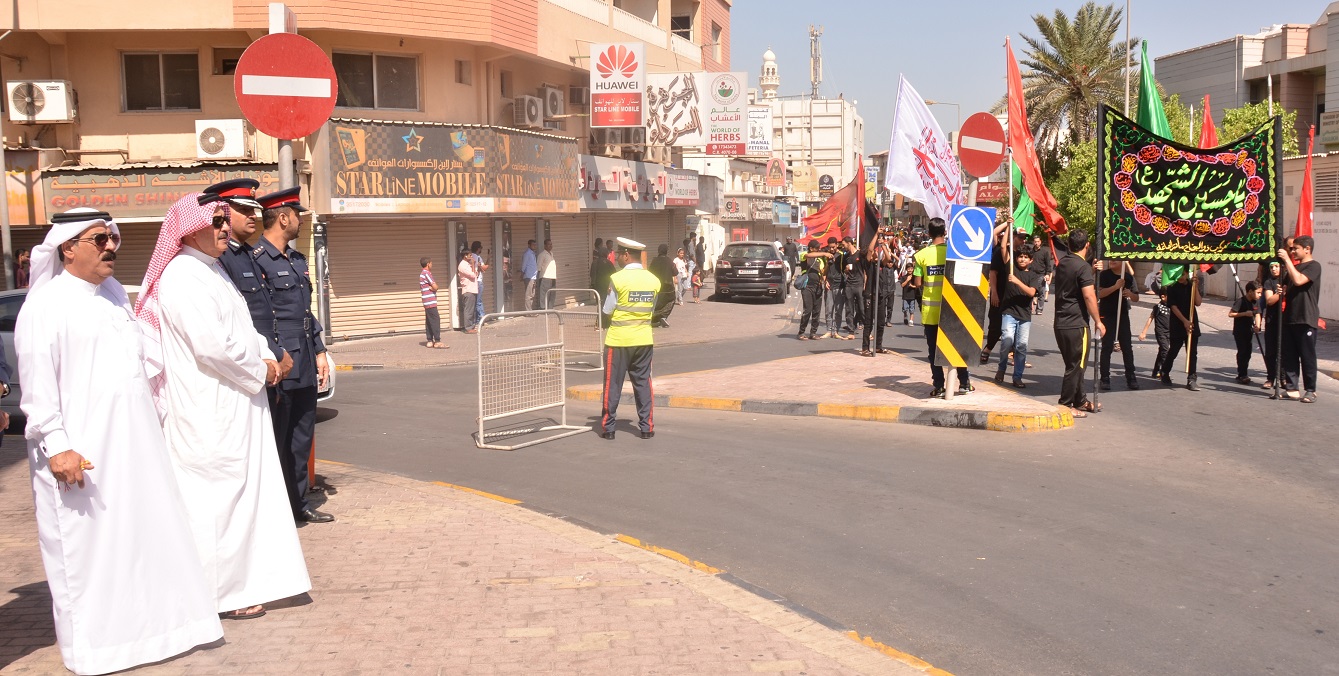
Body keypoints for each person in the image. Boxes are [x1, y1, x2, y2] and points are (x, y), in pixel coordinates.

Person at [19, 208, 222, 674]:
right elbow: (38, 389)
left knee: (142, 540)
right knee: (87, 553)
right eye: (98, 239)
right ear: (67, 247)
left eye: (112, 239)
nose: (110, 247)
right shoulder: (45, 305)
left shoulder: (113, 295)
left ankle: (153, 634)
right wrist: (57, 446)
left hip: (135, 447)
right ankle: (94, 650)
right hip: (81, 452)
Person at [136, 194, 310, 621]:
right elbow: (214, 347)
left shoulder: (211, 271)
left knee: (244, 498)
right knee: (215, 502)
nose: (224, 228)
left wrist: (272, 355)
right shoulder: (181, 277)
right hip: (208, 410)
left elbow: (244, 329)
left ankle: (246, 584)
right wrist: (264, 369)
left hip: (236, 404)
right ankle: (217, 595)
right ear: (188, 228)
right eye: (214, 221)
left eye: (223, 220)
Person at [255, 187, 334, 524]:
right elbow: (258, 315)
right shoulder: (256, 259)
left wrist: (319, 351)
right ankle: (275, 508)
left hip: (303, 358)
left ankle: (298, 503)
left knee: (302, 436)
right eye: (297, 214)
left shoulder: (298, 260)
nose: (301, 220)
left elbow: (306, 311)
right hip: (281, 361)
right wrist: (275, 355)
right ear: (283, 218)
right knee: (278, 436)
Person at [210, 179, 290, 386]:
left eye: (253, 210)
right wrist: (275, 353)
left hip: (269, 356)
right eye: (244, 210)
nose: (253, 216)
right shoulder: (221, 258)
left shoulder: (248, 254)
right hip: (252, 362)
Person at [598, 238, 660, 440]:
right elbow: (652, 310)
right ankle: (646, 428)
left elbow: (607, 309)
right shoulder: (653, 280)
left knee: (612, 385)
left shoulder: (617, 279)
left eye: (618, 253)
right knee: (643, 384)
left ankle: (608, 429)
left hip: (618, 341)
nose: (615, 256)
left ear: (626, 255)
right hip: (644, 340)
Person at [912, 218, 972, 398]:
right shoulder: (954, 253)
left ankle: (939, 386)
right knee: (956, 347)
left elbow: (917, 282)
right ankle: (964, 383)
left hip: (931, 313)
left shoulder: (921, 255)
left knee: (934, 351)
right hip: (953, 310)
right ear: (945, 233)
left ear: (928, 234)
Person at [1051, 229, 1104, 416]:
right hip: (1077, 324)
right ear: (1087, 245)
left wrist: (1092, 272)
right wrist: (1098, 321)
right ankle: (1065, 404)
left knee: (1075, 365)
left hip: (1061, 323)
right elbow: (1089, 295)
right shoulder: (1081, 267)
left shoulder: (1063, 263)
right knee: (1076, 366)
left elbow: (1076, 284)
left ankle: (1080, 400)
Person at [1279, 236, 1322, 402]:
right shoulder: (1293, 269)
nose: (1292, 252)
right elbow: (1286, 288)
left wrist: (1287, 261)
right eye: (1291, 249)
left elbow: (1298, 281)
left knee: (1307, 355)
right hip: (1290, 316)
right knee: (1289, 355)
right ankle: (1292, 388)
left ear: (1307, 249)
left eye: (1295, 248)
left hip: (1306, 317)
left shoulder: (1314, 266)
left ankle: (1311, 389)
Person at [994, 245, 1043, 388]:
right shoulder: (1011, 269)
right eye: (1020, 256)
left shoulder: (1033, 276)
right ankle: (1001, 369)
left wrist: (1016, 281)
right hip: (1009, 312)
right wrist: (1008, 225)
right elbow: (1003, 247)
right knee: (1007, 340)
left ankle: (1017, 377)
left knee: (1021, 347)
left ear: (1031, 260)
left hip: (1024, 316)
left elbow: (1031, 292)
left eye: (1025, 257)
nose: (1022, 259)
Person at [1097, 260, 1140, 390]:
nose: (1112, 261)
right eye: (1110, 259)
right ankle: (1105, 378)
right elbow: (1099, 293)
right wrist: (1115, 287)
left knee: (1127, 346)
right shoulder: (1104, 275)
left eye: (1116, 259)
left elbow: (1136, 297)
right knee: (1107, 347)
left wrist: (1130, 294)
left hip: (1122, 315)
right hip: (1107, 314)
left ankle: (1131, 377)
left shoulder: (1128, 277)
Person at [1161, 266, 1202, 390]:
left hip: (1192, 321)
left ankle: (1192, 378)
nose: (1181, 277)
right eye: (1179, 274)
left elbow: (1198, 302)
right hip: (1178, 322)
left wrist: (1195, 287)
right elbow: (1173, 306)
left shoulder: (1191, 285)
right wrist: (1184, 321)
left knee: (1192, 352)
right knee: (1174, 350)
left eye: (1183, 274)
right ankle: (1165, 371)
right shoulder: (1172, 287)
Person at [860, 231, 895, 356]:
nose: (876, 253)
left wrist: (884, 245)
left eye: (876, 251)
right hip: (870, 295)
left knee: (880, 322)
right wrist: (876, 234)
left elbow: (888, 259)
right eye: (875, 252)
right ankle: (865, 348)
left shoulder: (880, 264)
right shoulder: (868, 263)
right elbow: (870, 250)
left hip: (880, 295)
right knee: (868, 323)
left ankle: (878, 346)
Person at [796, 240, 831, 340]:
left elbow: (823, 272)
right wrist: (824, 253)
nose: (818, 250)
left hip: (818, 287)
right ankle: (801, 332)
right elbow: (807, 256)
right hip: (807, 287)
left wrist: (827, 264)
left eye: (819, 248)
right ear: (811, 249)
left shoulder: (820, 260)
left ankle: (813, 332)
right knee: (807, 310)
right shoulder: (804, 255)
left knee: (817, 311)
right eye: (816, 248)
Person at [1258, 260, 1284, 389]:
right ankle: (1270, 378)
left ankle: (1283, 378)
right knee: (1270, 351)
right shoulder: (1269, 282)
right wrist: (1279, 293)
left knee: (1285, 351)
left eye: (1277, 266)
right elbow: (1269, 300)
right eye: (1272, 267)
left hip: (1285, 321)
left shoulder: (1287, 280)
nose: (1274, 269)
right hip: (1272, 320)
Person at [1138, 283, 1172, 380]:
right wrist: (1144, 332)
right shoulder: (1158, 307)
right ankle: (1164, 372)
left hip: (1169, 332)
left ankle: (1156, 371)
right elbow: (1150, 318)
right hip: (1160, 332)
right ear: (1163, 297)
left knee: (1162, 351)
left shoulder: (1172, 306)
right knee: (1166, 350)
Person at [1230, 281, 1261, 385]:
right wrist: (1244, 314)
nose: (1260, 295)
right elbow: (1231, 314)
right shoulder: (1241, 301)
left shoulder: (1255, 302)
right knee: (1242, 352)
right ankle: (1242, 374)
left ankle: (1244, 372)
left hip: (1249, 331)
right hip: (1239, 331)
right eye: (1258, 292)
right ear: (1250, 291)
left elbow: (1257, 314)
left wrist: (1258, 326)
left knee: (1248, 352)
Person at [839, 237, 865, 339]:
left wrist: (865, 284)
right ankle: (851, 331)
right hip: (849, 285)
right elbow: (844, 271)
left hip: (859, 285)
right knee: (849, 309)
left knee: (862, 309)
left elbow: (865, 271)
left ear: (849, 243)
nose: (843, 246)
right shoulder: (846, 257)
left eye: (844, 244)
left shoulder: (860, 255)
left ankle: (868, 330)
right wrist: (846, 270)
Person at [648, 243, 676, 327]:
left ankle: (654, 318)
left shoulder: (654, 261)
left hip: (656, 286)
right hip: (668, 287)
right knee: (670, 300)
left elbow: (650, 272)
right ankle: (663, 317)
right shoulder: (670, 261)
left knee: (656, 302)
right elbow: (675, 272)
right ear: (666, 251)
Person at [420, 257, 444, 348]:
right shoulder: (427, 273)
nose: (432, 265)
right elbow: (435, 286)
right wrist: (433, 288)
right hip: (430, 301)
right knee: (435, 319)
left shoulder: (422, 274)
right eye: (431, 263)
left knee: (429, 320)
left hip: (426, 301)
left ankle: (429, 340)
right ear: (428, 264)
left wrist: (432, 287)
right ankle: (437, 340)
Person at [1030, 235, 1053, 314]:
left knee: (1041, 293)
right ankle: (1029, 308)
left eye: (1038, 241)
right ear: (1033, 242)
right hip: (1031, 274)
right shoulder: (1030, 251)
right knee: (1030, 292)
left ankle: (1039, 309)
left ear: (1040, 242)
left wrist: (1047, 274)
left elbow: (1048, 265)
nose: (1036, 243)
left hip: (1041, 274)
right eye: (1035, 241)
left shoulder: (1044, 252)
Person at [458, 249, 479, 332]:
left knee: (472, 309)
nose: (471, 257)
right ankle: (468, 327)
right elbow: (472, 275)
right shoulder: (463, 265)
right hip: (468, 289)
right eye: (470, 255)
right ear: (465, 256)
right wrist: (473, 264)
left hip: (473, 289)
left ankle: (472, 326)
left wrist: (473, 265)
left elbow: (476, 274)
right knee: (469, 310)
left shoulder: (468, 264)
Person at [536, 238, 557, 309]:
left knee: (552, 294)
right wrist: (538, 279)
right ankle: (543, 308)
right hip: (545, 278)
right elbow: (538, 267)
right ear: (545, 246)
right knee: (544, 294)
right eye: (548, 244)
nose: (550, 246)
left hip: (553, 277)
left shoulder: (551, 254)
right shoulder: (542, 255)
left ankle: (550, 308)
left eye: (551, 244)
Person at [470, 241, 488, 320]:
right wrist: (489, 257)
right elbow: (485, 268)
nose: (481, 250)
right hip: (478, 281)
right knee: (479, 301)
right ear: (478, 249)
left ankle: (477, 319)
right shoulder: (478, 257)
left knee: (475, 301)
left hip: (472, 281)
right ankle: (482, 318)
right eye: (481, 248)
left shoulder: (469, 256)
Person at [521, 239, 538, 310]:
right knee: (528, 295)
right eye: (533, 245)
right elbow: (524, 265)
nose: (534, 246)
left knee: (532, 294)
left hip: (533, 277)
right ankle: (528, 312)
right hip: (529, 277)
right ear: (529, 245)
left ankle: (530, 310)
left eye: (535, 245)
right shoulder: (527, 254)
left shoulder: (533, 253)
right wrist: (522, 274)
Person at [900, 260, 918, 326]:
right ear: (906, 269)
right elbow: (902, 285)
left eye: (911, 269)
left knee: (912, 309)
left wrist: (912, 286)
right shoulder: (904, 277)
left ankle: (911, 321)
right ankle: (905, 316)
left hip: (912, 296)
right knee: (905, 308)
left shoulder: (915, 277)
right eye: (908, 269)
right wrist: (907, 280)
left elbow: (917, 285)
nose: (910, 270)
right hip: (905, 296)